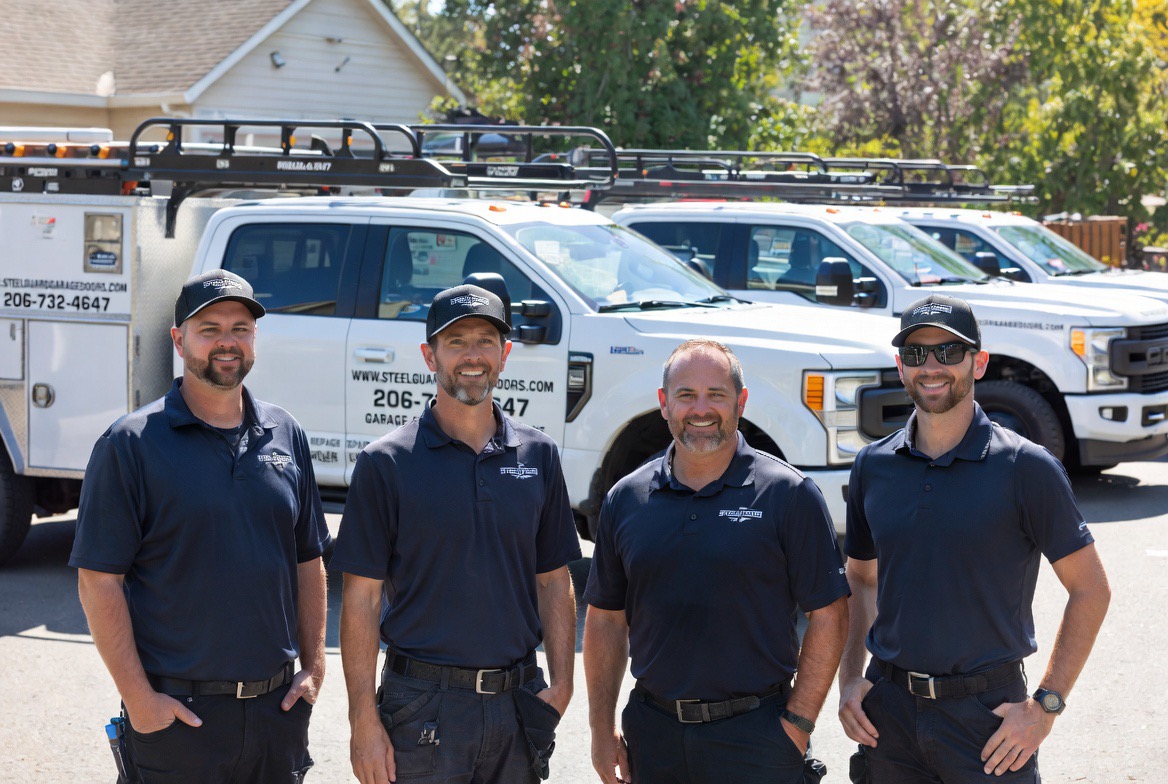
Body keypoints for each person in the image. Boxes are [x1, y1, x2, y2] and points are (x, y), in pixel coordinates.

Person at [838, 293, 1111, 782]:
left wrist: (1045, 705)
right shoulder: (873, 465)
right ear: (901, 367)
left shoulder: (1026, 467)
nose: (932, 366)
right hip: (889, 716)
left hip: (986, 723)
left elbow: (1091, 589)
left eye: (949, 352)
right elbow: (860, 578)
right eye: (917, 354)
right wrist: (850, 678)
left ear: (978, 363)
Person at [71, 269, 330, 783]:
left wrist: (315, 666)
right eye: (209, 329)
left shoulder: (285, 433)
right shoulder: (132, 444)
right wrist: (141, 702)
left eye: (240, 328)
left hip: (277, 713)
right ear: (178, 339)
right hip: (179, 719)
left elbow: (308, 560)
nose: (226, 342)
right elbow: (98, 581)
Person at [334, 284, 580, 784]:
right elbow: (360, 600)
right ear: (430, 356)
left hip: (518, 701)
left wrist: (563, 685)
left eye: (486, 341)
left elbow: (555, 580)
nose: (473, 356)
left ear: (505, 354)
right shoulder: (386, 463)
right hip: (421, 703)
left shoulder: (539, 456)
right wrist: (363, 719)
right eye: (456, 341)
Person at [584, 338, 850, 784]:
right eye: (686, 394)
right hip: (653, 736)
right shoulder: (627, 498)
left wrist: (797, 727)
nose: (701, 409)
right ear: (664, 404)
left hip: (757, 737)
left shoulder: (789, 494)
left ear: (740, 402)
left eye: (717, 394)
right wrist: (599, 728)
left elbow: (830, 615)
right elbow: (606, 620)